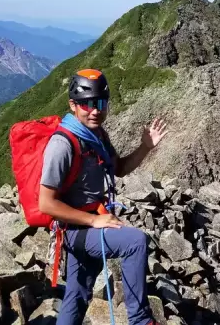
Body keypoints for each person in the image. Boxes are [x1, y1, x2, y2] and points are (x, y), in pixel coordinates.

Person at [38, 68, 169, 325]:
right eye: (87, 104)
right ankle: (141, 321)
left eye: (100, 103)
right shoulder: (62, 144)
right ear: (73, 105)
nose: (95, 111)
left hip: (90, 226)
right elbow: (46, 203)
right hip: (78, 229)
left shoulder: (97, 135)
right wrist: (94, 221)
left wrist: (145, 147)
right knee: (135, 242)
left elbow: (119, 168)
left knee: (76, 297)